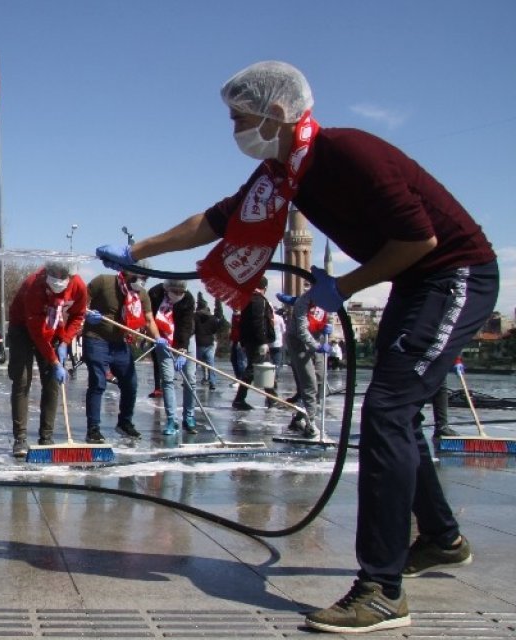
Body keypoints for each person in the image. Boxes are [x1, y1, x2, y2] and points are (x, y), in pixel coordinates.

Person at [95, 61, 498, 633]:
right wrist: (140, 251)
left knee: (387, 411)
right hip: (415, 282)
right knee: (397, 415)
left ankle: (382, 590)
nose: (234, 128)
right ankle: (440, 538)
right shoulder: (281, 175)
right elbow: (214, 221)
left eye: (240, 117)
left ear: (277, 113)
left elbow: (419, 239)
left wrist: (343, 288)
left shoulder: (348, 153)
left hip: (455, 274)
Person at [6, 261, 87, 457]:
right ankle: (20, 438)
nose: (58, 280)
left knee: (52, 382)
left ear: (70, 276)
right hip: (22, 328)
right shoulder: (33, 285)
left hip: (55, 327)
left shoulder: (79, 286)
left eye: (62, 276)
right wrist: (55, 361)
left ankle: (46, 437)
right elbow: (37, 333)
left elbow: (78, 315)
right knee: (22, 380)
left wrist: (65, 342)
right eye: (54, 275)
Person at [81, 264, 160, 442]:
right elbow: (80, 301)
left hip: (120, 344)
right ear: (127, 273)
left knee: (130, 383)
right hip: (96, 338)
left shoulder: (141, 295)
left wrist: (158, 338)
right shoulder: (103, 281)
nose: (141, 282)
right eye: (139, 277)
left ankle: (125, 422)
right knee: (98, 382)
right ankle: (93, 429)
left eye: (145, 278)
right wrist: (87, 314)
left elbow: (149, 320)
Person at [148, 278, 197, 434]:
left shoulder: (188, 298)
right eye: (174, 291)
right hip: (163, 339)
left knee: (190, 378)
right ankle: (171, 420)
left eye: (181, 292)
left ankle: (189, 417)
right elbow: (149, 317)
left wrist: (182, 350)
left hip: (186, 338)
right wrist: (156, 337)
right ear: (167, 289)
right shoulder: (155, 293)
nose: (178, 294)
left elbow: (185, 326)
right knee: (167, 379)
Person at [277, 291, 326, 439]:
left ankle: (299, 418)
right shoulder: (303, 302)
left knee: (321, 380)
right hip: (298, 341)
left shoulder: (328, 300)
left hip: (315, 340)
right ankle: (310, 423)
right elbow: (302, 331)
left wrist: (325, 330)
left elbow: (324, 319)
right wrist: (317, 346)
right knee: (309, 382)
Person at [229, 277, 276, 411]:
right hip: (256, 341)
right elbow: (258, 322)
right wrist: (263, 342)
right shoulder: (258, 300)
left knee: (265, 367)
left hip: (250, 340)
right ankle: (239, 399)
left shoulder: (248, 299)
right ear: (265, 288)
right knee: (252, 369)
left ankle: (272, 398)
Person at [193, 295, 227, 390]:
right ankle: (213, 382)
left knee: (194, 364)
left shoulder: (195, 317)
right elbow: (215, 329)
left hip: (199, 343)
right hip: (210, 343)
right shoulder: (212, 318)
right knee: (211, 364)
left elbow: (192, 329)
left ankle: (190, 380)